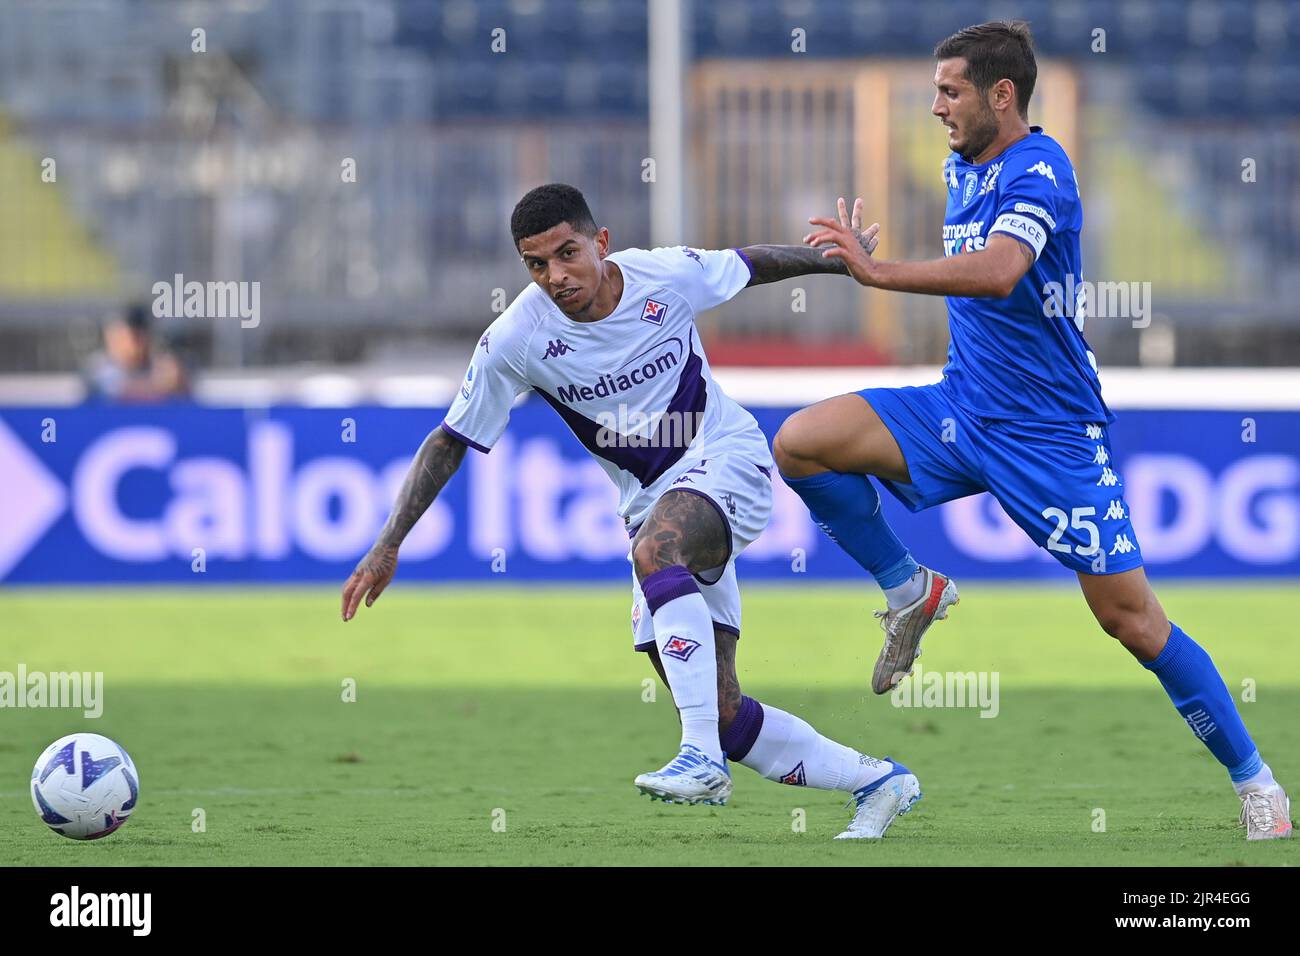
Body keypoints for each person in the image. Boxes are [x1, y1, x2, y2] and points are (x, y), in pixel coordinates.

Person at [774, 21, 1291, 841]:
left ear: (1001, 94)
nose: (935, 106)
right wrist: (877, 253)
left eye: (950, 90)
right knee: (799, 442)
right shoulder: (960, 166)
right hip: (960, 407)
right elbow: (974, 269)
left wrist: (879, 273)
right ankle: (910, 589)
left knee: (1132, 621)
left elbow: (999, 271)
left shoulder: (1042, 170)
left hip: (1049, 435)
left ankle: (1258, 783)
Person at [342, 183, 919, 838]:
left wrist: (838, 261)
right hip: (653, 505)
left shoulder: (664, 276)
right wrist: (388, 543)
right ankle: (879, 780)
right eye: (537, 265)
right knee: (723, 711)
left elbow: (748, 263)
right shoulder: (516, 339)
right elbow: (450, 438)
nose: (556, 276)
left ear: (601, 243)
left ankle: (697, 757)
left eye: (567, 253)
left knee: (656, 553)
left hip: (727, 458)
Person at [82, 302, 189, 402]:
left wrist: (178, 383)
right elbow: (115, 390)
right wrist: (162, 385)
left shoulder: (160, 364)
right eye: (132, 335)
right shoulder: (98, 367)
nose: (138, 342)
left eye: (139, 335)